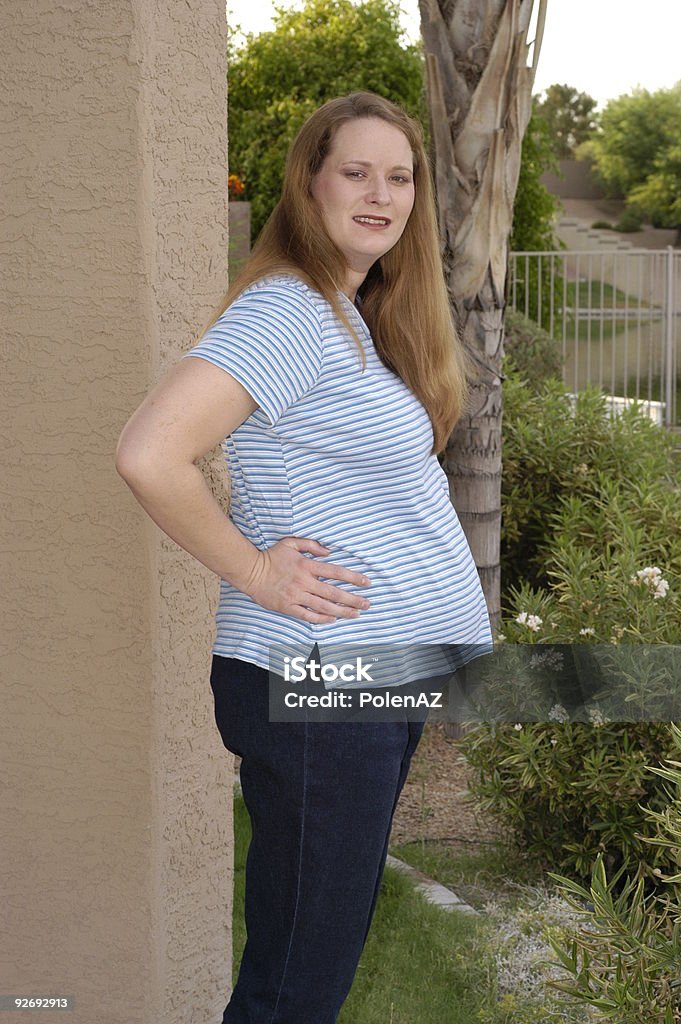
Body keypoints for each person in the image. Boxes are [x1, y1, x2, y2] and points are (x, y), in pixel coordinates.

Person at [115, 90, 493, 1024]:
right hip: (322, 685)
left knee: (309, 965)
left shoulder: (348, 315)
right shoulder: (289, 308)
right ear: (309, 185)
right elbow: (150, 453)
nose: (380, 193)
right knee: (297, 985)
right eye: (354, 172)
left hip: (367, 682)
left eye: (398, 177)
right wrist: (254, 571)